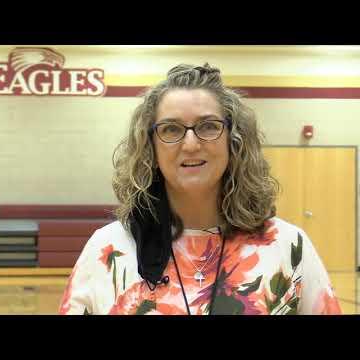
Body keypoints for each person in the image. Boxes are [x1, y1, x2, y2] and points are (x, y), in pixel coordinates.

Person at [58, 63, 342, 315]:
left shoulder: (288, 247)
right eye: (171, 129)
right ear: (150, 148)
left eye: (208, 126)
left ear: (234, 140)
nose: (191, 144)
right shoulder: (107, 250)